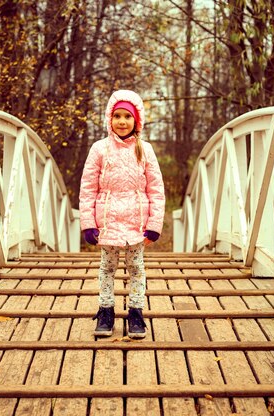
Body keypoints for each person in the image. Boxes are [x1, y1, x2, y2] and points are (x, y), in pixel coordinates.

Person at [79, 89, 165, 339]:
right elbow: (87, 187)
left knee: (136, 269)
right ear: (110, 118)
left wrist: (154, 224)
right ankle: (106, 311)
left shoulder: (145, 150)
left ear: (136, 121)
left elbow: (156, 188)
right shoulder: (99, 149)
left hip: (137, 223)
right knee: (107, 268)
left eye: (127, 116)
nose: (122, 121)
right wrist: (88, 223)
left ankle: (136, 313)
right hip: (107, 223)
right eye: (117, 115)